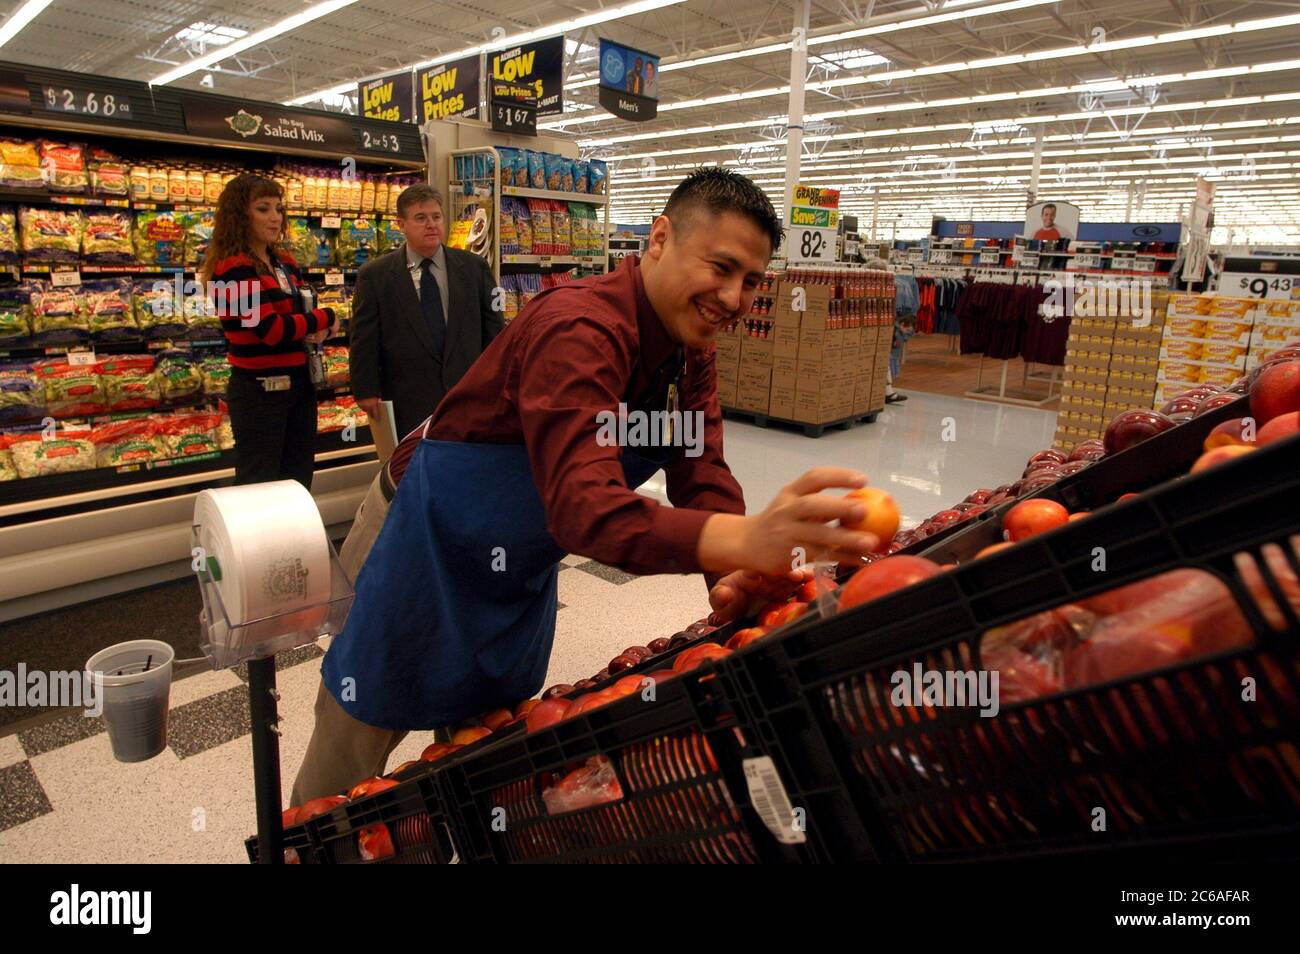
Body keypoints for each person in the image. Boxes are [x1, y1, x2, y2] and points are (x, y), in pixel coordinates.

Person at [291, 168, 878, 803]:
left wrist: (729, 576)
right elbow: (585, 510)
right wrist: (745, 538)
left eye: (752, 282)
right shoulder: (579, 327)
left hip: (517, 564)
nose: (735, 297)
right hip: (420, 542)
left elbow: (699, 467)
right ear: (658, 240)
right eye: (722, 267)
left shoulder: (688, 352)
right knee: (353, 742)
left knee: (481, 747)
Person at [203, 174, 336, 488]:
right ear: (240, 216)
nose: (275, 217)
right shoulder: (232, 268)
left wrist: (321, 327)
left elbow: (303, 314)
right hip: (260, 393)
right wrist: (328, 317)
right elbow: (271, 330)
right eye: (263, 209)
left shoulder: (284, 263)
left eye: (278, 208)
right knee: (259, 486)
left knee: (298, 483)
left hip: (300, 386)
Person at [349, 184, 503, 439]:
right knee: (411, 471)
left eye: (436, 217)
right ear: (401, 224)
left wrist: (497, 381)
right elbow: (364, 337)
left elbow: (494, 329)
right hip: (406, 398)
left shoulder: (474, 267)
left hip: (467, 396)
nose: (431, 224)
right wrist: (365, 389)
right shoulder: (375, 275)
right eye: (420, 218)